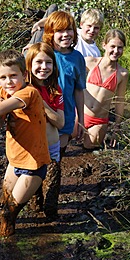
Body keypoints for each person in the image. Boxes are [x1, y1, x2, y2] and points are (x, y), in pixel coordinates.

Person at [0, 49, 50, 237]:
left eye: (13, 76)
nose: (9, 82)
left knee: (9, 212)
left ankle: (7, 246)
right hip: (14, 162)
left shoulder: (28, 93)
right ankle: (6, 237)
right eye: (3, 77)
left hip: (33, 165)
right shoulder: (4, 90)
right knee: (3, 203)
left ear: (25, 75)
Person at [25, 42, 64, 218]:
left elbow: (60, 122)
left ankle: (53, 223)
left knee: (51, 196)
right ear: (29, 64)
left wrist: (41, 102)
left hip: (52, 148)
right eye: (38, 62)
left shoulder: (54, 89)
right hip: (32, 150)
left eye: (48, 63)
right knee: (34, 197)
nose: (44, 67)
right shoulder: (22, 88)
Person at [42, 11, 86, 158]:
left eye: (69, 30)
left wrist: (80, 119)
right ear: (50, 33)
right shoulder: (43, 55)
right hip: (44, 116)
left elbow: (79, 91)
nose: (66, 34)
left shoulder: (77, 58)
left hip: (66, 115)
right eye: (60, 31)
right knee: (42, 158)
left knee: (57, 157)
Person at [83, 29, 129, 150]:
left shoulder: (122, 74)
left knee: (89, 147)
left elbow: (120, 101)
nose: (116, 51)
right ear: (104, 45)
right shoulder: (89, 62)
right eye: (112, 46)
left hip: (99, 120)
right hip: (81, 114)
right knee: (65, 140)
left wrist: (117, 127)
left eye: (120, 48)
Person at [28, 5, 104, 57]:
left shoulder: (96, 52)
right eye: (89, 26)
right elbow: (55, 21)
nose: (92, 30)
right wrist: (39, 24)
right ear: (81, 24)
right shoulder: (73, 33)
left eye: (96, 28)